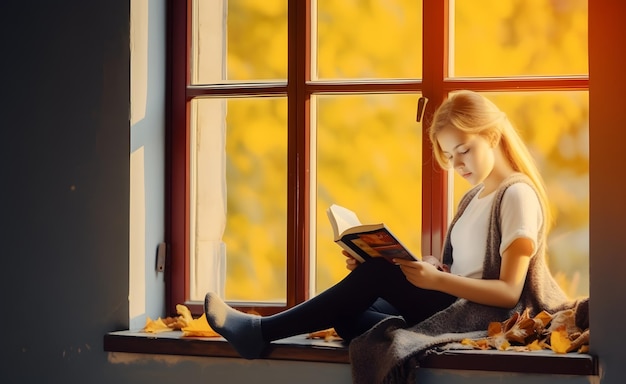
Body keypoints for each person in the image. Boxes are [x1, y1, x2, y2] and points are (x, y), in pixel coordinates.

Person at [204, 90, 587, 382]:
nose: (457, 165)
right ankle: (359, 283)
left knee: (378, 276)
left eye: (464, 151)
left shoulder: (516, 195)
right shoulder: (474, 197)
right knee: (347, 313)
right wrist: (432, 267)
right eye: (449, 157)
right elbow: (464, 270)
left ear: (491, 134)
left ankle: (260, 332)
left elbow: (507, 292)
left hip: (484, 315)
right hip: (454, 303)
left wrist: (435, 279)